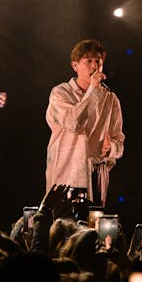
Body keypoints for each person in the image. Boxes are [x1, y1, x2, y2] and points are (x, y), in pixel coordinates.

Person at [45, 39, 124, 207]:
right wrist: (93, 90)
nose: (94, 66)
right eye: (89, 61)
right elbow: (74, 123)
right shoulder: (60, 93)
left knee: (93, 226)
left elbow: (119, 139)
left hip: (96, 174)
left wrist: (112, 148)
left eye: (98, 62)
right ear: (75, 65)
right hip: (66, 173)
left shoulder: (110, 99)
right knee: (63, 225)